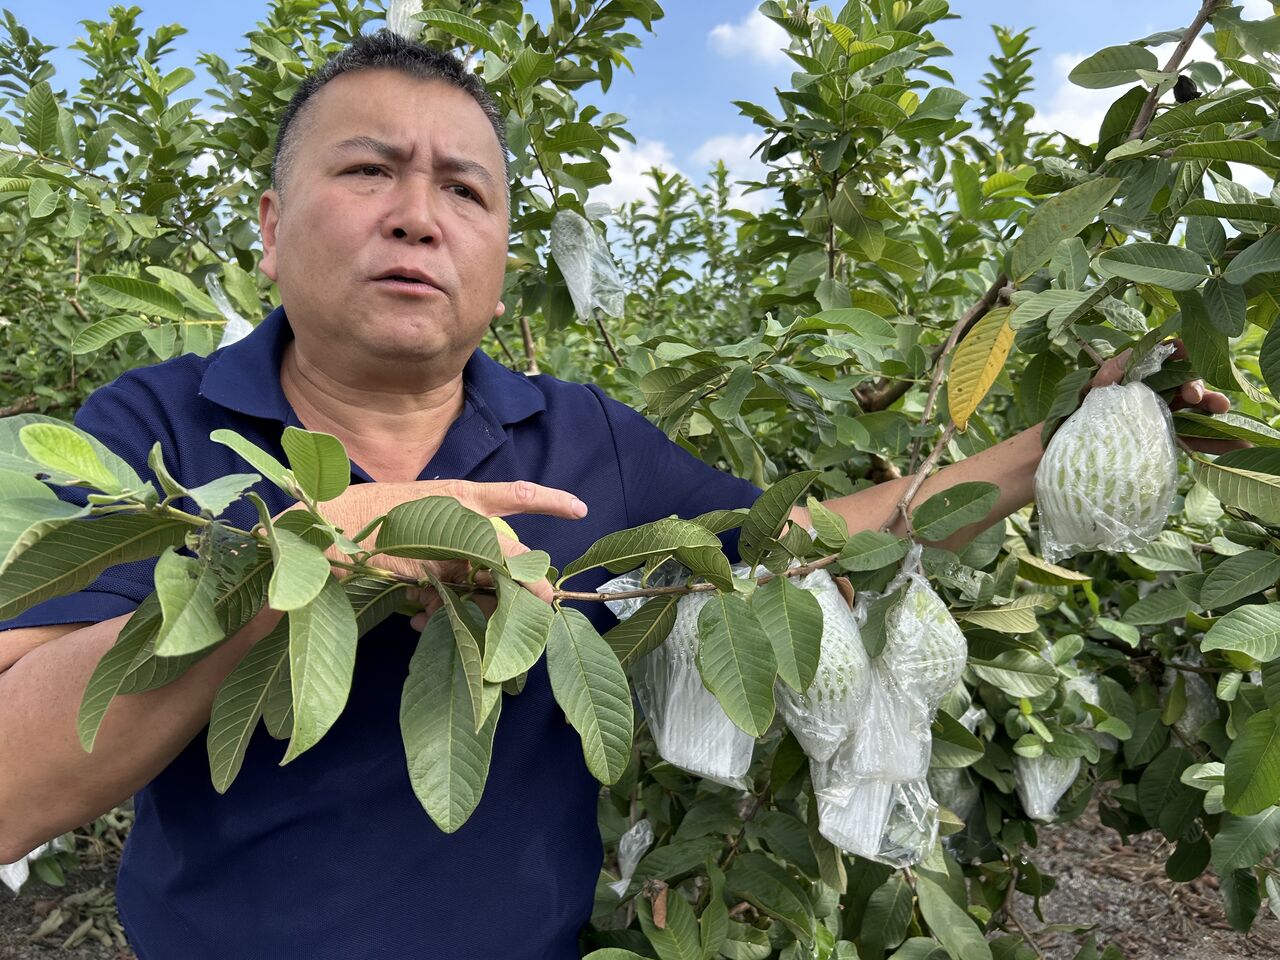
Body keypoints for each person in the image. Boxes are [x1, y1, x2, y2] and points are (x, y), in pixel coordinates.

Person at [0, 29, 1236, 960]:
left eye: (467, 191)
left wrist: (1047, 445)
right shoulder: (145, 439)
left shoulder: (582, 435)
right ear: (269, 230)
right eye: (369, 171)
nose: (419, 216)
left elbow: (795, 550)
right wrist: (303, 560)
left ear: (497, 261)